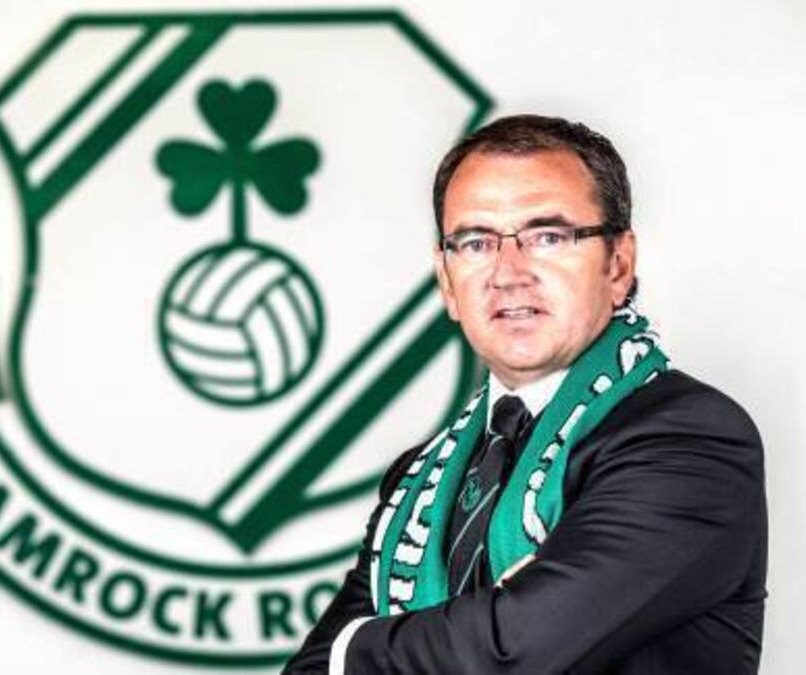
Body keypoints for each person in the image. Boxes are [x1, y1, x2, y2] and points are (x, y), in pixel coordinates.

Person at [283, 114, 767, 674]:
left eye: (548, 237)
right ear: (446, 281)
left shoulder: (688, 443)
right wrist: (498, 613)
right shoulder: (419, 479)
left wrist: (355, 648)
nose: (508, 273)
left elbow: (515, 652)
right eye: (475, 242)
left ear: (618, 265)